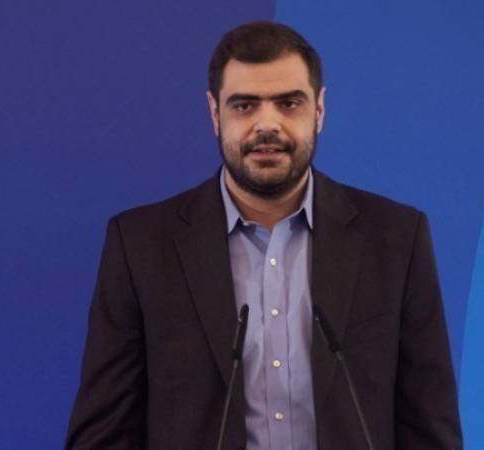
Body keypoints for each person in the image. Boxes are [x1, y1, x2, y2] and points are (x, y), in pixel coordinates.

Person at [65, 21, 462, 450]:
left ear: (319, 110)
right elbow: (103, 435)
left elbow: (429, 429)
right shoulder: (141, 246)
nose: (266, 125)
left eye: (289, 103)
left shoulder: (396, 239)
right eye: (244, 106)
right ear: (214, 113)